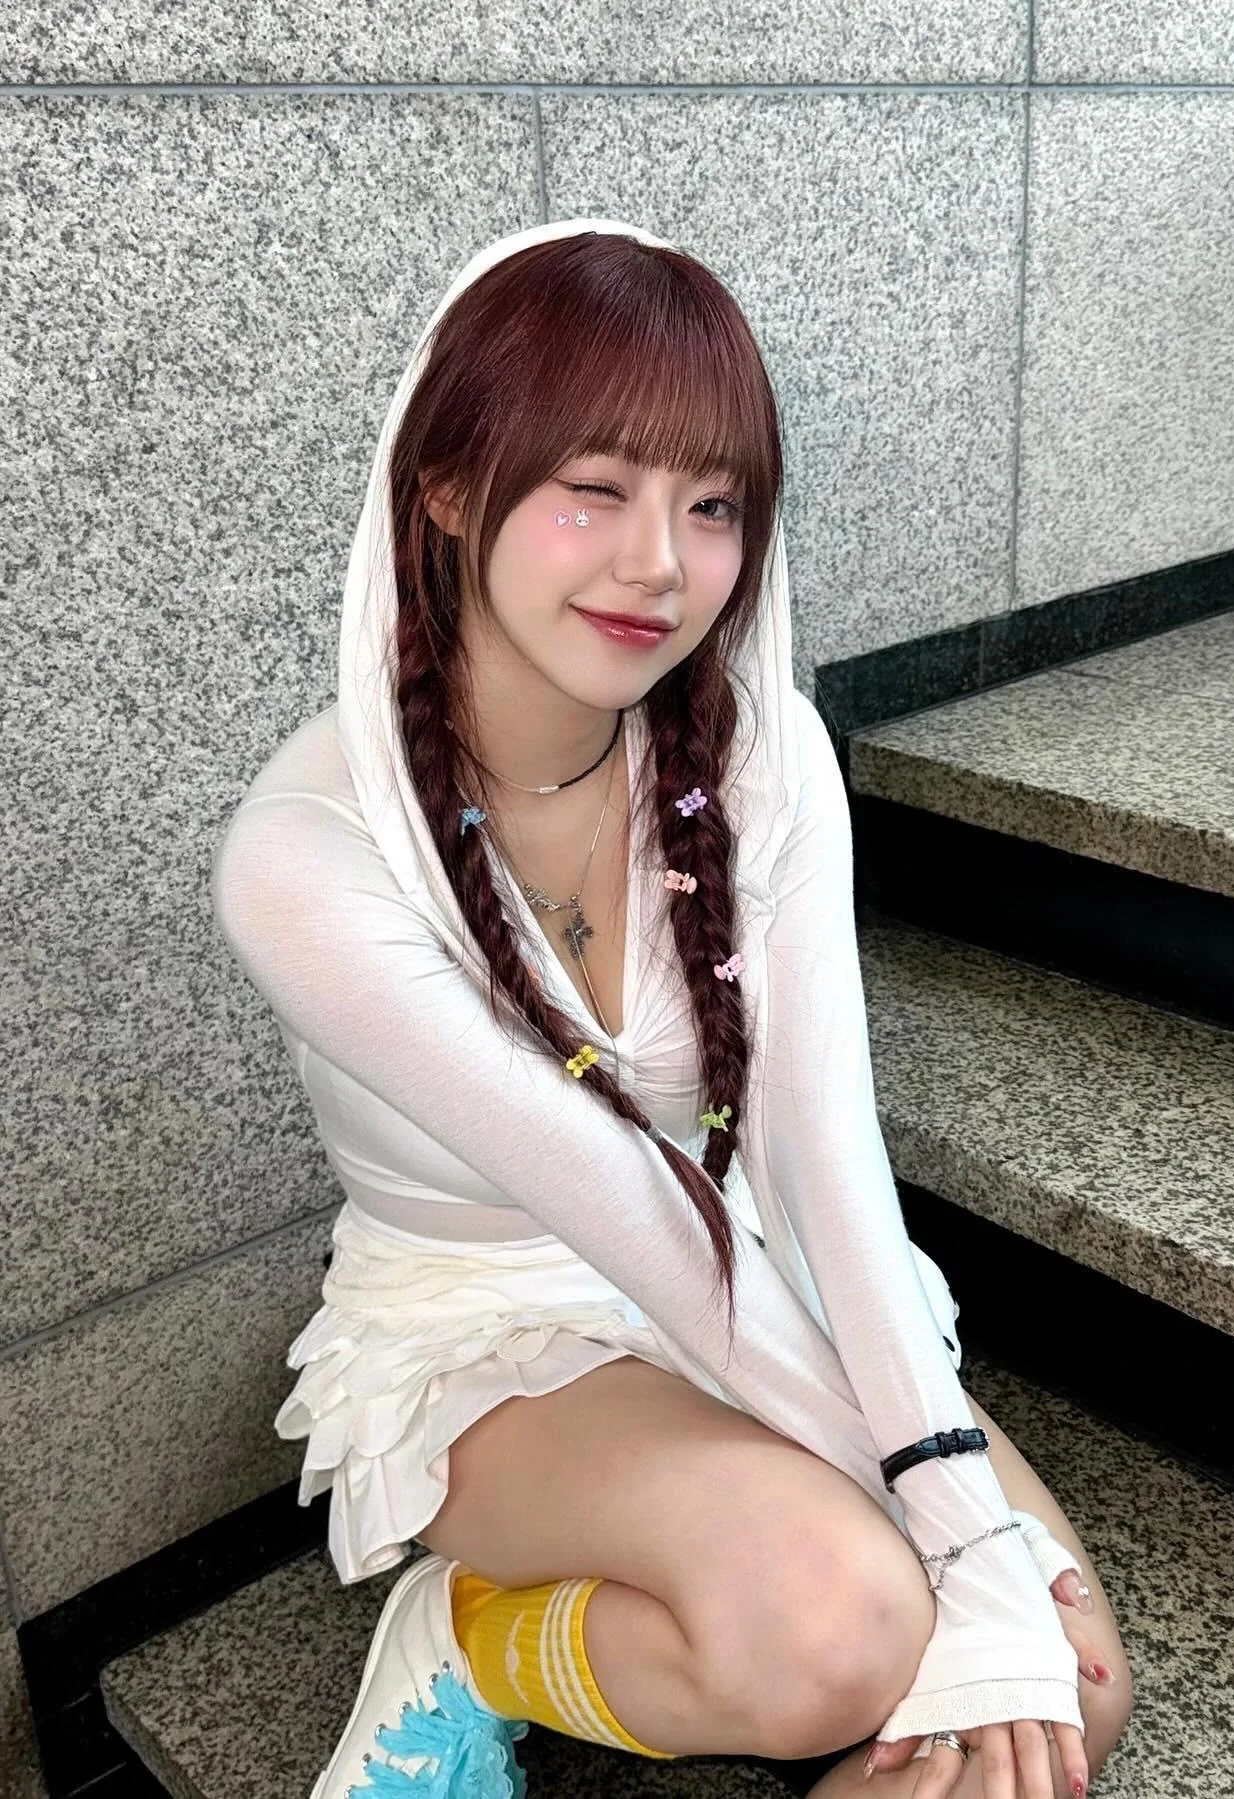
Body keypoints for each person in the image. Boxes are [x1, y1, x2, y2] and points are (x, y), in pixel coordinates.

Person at [210, 218, 1131, 1799]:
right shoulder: (306, 856)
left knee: (1061, 1700)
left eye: (712, 506)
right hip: (494, 1326)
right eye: (597, 487)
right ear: (447, 488)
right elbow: (628, 1212)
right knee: (848, 1625)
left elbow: (822, 1158)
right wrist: (939, 1527)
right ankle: (469, 1639)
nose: (659, 562)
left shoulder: (762, 753)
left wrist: (963, 1520)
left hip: (750, 1260)